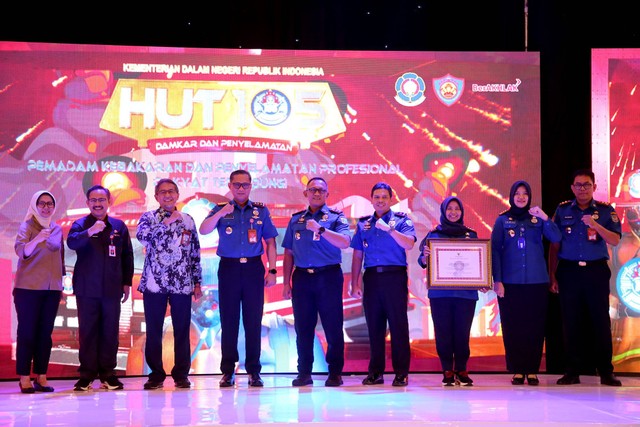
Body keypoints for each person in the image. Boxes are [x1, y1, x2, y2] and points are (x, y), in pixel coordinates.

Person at [199, 170, 278, 388]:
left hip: (253, 268)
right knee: (229, 321)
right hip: (229, 269)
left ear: (251, 186)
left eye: (245, 185)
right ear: (230, 186)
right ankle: (227, 371)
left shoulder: (260, 211)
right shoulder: (221, 210)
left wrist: (272, 270)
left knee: (253, 321)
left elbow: (271, 242)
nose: (241, 188)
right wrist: (221, 212)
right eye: (237, 185)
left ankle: (254, 371)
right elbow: (204, 230)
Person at [548, 169, 622, 386]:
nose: (582, 189)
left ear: (594, 187)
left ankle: (606, 371)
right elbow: (555, 244)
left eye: (586, 185)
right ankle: (572, 371)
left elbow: (616, 240)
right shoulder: (562, 210)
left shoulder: (606, 211)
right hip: (569, 271)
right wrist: (552, 274)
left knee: (600, 321)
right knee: (571, 322)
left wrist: (596, 225)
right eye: (578, 185)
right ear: (572, 188)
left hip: (595, 271)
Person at [281, 177, 351, 387]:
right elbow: (288, 253)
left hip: (328, 276)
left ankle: (335, 373)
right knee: (303, 327)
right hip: (302, 278)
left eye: (321, 190)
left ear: (327, 194)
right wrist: (286, 283)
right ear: (306, 194)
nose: (317, 193)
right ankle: (304, 373)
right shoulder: (296, 220)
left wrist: (320, 229)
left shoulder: (336, 217)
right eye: (312, 190)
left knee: (332, 326)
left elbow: (345, 242)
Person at [490, 180, 561, 385]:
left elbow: (556, 237)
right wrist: (498, 280)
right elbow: (495, 250)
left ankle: (532, 370)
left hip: (537, 281)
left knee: (535, 326)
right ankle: (517, 369)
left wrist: (546, 218)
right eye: (517, 194)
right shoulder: (502, 220)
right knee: (513, 326)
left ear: (529, 197)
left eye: (525, 194)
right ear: (511, 196)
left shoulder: (537, 219)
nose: (521, 197)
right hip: (510, 283)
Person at [137, 178, 203, 390]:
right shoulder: (148, 218)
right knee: (154, 329)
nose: (167, 195)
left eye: (171, 191)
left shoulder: (187, 220)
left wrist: (197, 282)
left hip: (182, 283)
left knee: (182, 329)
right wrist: (166, 222)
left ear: (177, 194)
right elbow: (144, 238)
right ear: (156, 197)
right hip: (155, 283)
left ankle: (181, 374)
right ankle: (156, 374)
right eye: (163, 192)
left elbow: (195, 253)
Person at [67, 185, 134, 391]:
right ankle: (86, 375)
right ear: (87, 203)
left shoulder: (119, 226)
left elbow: (127, 256)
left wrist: (127, 283)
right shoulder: (79, 224)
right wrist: (90, 231)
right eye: (93, 200)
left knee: (110, 332)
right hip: (87, 288)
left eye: (101, 200)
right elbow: (71, 243)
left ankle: (108, 374)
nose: (97, 203)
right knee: (88, 332)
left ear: (109, 202)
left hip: (112, 289)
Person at [350, 182, 416, 387]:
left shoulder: (402, 221)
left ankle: (401, 372)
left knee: (398, 326)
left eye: (384, 197)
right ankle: (375, 372)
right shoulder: (363, 224)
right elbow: (358, 254)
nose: (380, 200)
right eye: (376, 197)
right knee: (375, 327)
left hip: (394, 277)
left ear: (391, 199)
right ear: (371, 200)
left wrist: (389, 230)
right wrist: (354, 282)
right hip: (371, 278)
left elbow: (409, 244)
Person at [417, 196, 480, 386]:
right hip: (440, 294)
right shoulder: (433, 235)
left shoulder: (471, 235)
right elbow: (422, 262)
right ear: (443, 211)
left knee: (462, 333)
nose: (453, 212)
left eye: (457, 209)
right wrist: (426, 257)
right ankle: (447, 370)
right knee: (443, 333)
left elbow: (479, 262)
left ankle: (461, 369)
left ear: (462, 212)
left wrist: (483, 278)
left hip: (466, 294)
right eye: (450, 209)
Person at [13, 190, 64, 393]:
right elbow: (21, 251)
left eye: (49, 203)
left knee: (45, 334)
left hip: (51, 289)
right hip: (28, 289)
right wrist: (37, 239)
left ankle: (41, 376)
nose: (46, 207)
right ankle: (24, 377)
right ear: (35, 205)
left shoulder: (57, 228)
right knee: (27, 333)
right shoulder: (27, 226)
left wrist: (61, 285)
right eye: (42, 203)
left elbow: (57, 254)